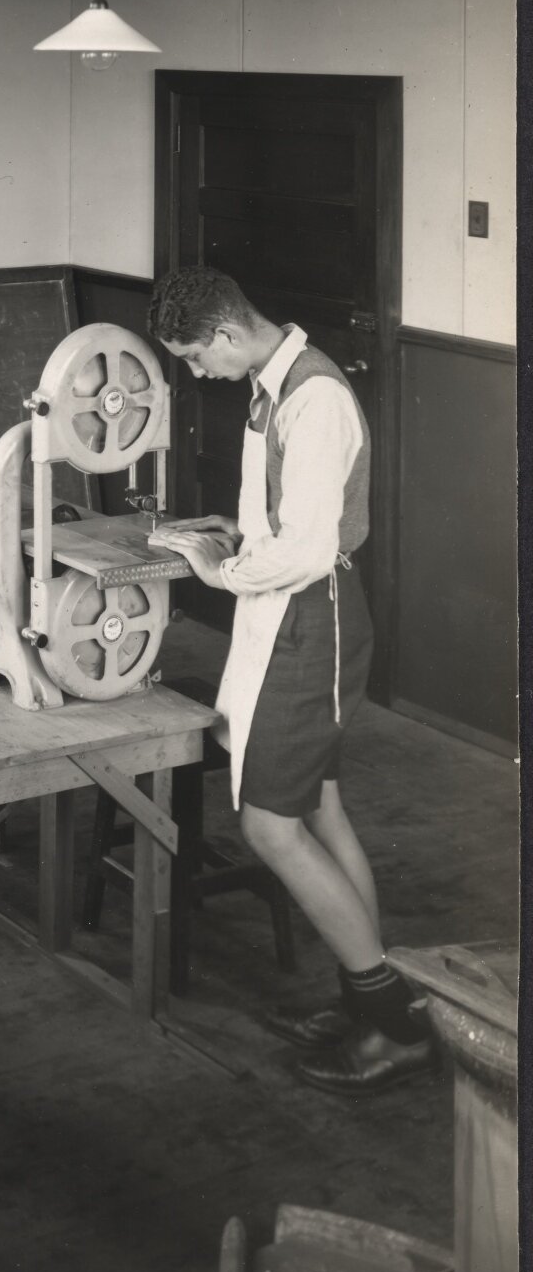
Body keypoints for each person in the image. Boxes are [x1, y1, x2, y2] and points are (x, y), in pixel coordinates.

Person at [145, 267, 433, 1096]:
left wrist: (220, 565)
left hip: (311, 616)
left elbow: (307, 551)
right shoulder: (274, 383)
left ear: (228, 334)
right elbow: (296, 514)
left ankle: (398, 1026)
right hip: (294, 611)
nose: (199, 373)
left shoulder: (315, 399)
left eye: (198, 357)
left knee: (271, 828)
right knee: (318, 806)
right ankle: (364, 996)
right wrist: (235, 530)